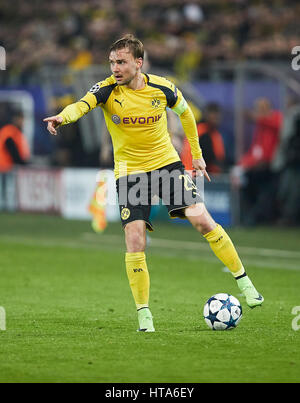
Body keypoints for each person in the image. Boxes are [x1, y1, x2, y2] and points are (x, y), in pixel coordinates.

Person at [44, 34, 263, 332]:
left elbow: (186, 114)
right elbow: (81, 105)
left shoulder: (163, 88)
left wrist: (196, 155)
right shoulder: (106, 90)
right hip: (130, 172)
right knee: (135, 239)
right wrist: (62, 118)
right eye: (111, 62)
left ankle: (246, 284)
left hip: (166, 165)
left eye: (120, 62)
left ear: (138, 62)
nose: (115, 68)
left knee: (203, 221)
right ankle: (144, 314)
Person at [231, 97, 282, 225]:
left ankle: (255, 218)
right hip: (257, 168)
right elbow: (255, 151)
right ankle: (245, 216)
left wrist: (255, 117)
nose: (259, 111)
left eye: (261, 108)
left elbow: (275, 123)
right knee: (243, 184)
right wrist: (242, 164)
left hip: (271, 168)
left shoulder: (275, 118)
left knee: (266, 195)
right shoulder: (261, 126)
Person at [181, 102, 226, 174]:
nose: (216, 118)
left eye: (217, 116)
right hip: (193, 174)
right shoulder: (202, 133)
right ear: (206, 115)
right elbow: (209, 159)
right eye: (213, 115)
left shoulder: (213, 133)